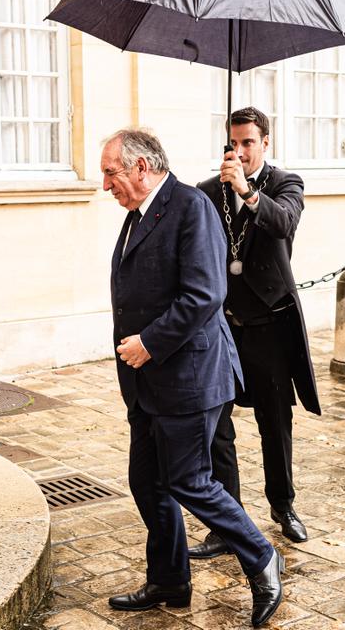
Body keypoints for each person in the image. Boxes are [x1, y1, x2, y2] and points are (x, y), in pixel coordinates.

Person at [101, 128, 285, 626]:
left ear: (141, 167)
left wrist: (149, 342)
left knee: (190, 481)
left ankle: (262, 556)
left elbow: (205, 294)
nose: (105, 185)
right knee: (147, 483)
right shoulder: (136, 216)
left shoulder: (191, 207)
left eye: (111, 172)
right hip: (146, 382)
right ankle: (169, 580)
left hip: (189, 376)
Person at [189, 107, 321, 560]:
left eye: (249, 142)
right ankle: (228, 523)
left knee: (274, 422)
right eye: (234, 142)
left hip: (268, 325)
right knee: (217, 426)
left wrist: (246, 192)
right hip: (224, 328)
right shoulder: (208, 192)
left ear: (266, 143)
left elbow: (283, 224)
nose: (240, 151)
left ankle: (283, 506)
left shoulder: (286, 184)